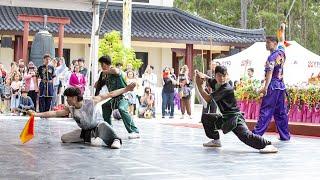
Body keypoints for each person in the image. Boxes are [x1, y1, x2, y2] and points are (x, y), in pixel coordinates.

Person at [195, 66, 278, 153]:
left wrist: (199, 85)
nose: (222, 78)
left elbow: (208, 99)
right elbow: (208, 79)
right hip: (225, 118)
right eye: (219, 75)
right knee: (206, 118)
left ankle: (268, 144)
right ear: (215, 76)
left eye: (224, 75)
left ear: (227, 75)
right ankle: (216, 140)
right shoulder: (216, 82)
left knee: (246, 136)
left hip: (234, 118)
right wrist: (200, 74)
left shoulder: (226, 88)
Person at [28, 83, 136, 149]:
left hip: (98, 127)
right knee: (64, 138)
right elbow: (54, 113)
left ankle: (115, 139)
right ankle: (88, 138)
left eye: (68, 98)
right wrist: (36, 114)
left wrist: (126, 89)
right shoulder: (70, 108)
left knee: (103, 125)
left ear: (74, 97)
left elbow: (110, 94)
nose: (67, 100)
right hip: (86, 132)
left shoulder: (91, 101)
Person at [252, 36, 290, 141]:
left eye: (268, 42)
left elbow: (269, 73)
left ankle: (256, 134)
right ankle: (285, 135)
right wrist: (282, 29)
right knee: (280, 112)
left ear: (274, 43)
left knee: (266, 110)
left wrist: (265, 88)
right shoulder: (282, 52)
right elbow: (282, 41)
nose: (266, 44)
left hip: (272, 86)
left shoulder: (272, 57)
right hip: (281, 87)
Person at [96, 55, 140, 139]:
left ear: (107, 64)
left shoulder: (113, 70)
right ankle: (109, 129)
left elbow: (116, 71)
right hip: (114, 98)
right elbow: (99, 85)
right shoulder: (106, 76)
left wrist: (106, 71)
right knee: (105, 106)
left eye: (102, 64)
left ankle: (134, 131)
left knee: (122, 108)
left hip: (124, 96)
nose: (101, 66)